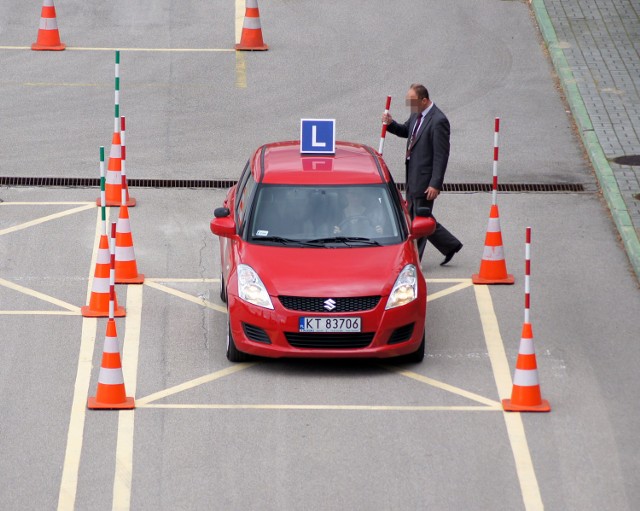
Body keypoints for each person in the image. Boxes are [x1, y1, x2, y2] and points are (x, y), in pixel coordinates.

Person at [382, 83, 462, 265]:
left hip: (425, 181)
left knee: (419, 220)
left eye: (412, 101)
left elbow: (441, 156)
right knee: (416, 217)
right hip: (413, 176)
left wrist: (435, 184)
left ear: (424, 100)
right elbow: (406, 131)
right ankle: (450, 245)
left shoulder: (438, 121)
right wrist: (390, 124)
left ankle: (413, 260)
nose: (409, 105)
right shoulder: (417, 113)